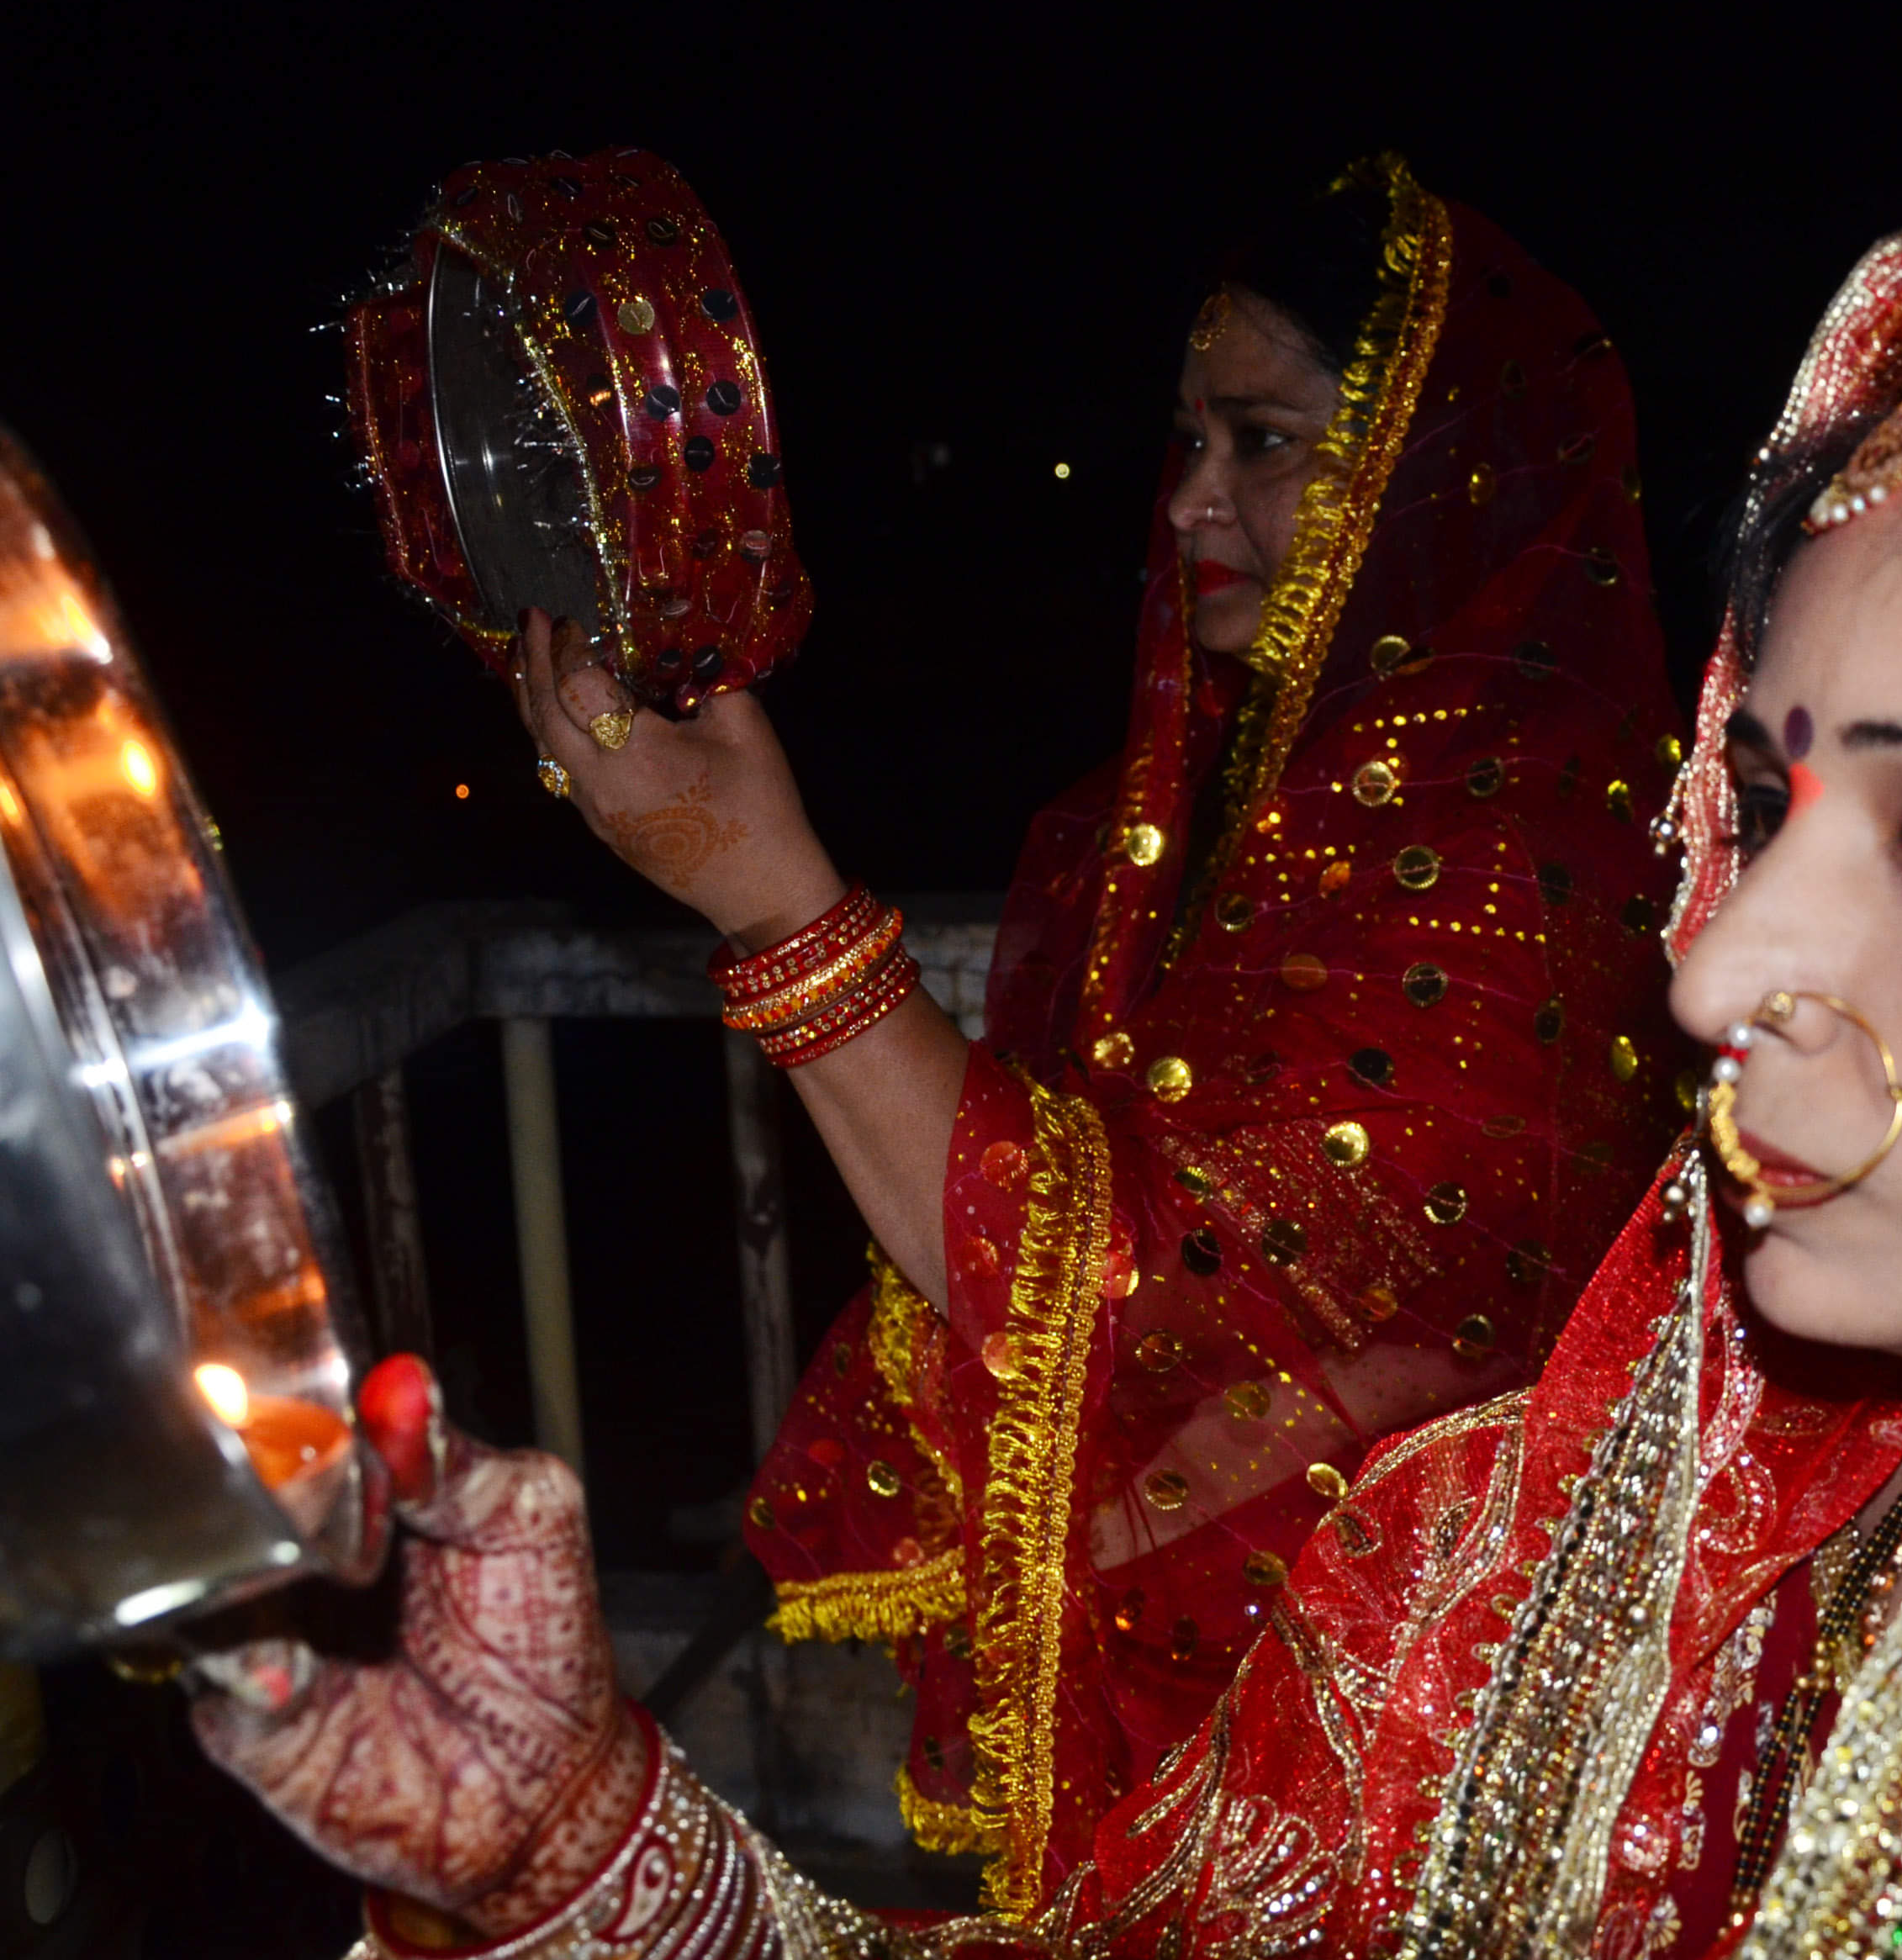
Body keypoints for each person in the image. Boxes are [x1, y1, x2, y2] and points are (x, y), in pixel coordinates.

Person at [202, 218, 1902, 1956]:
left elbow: (1146, 1288)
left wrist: (787, 910)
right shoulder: (1552, 1586)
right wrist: (574, 1849)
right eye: (1754, 801)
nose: (1718, 960)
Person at [506, 153, 1683, 1903]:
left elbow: (1125, 1294)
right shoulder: (1165, 822)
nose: (1194, 503)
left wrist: (777, 905)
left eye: (1264, 442)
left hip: (1409, 1770)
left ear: (1439, 470)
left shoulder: (1523, 860)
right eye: (1189, 442)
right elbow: (1036, 1254)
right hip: (1179, 1730)